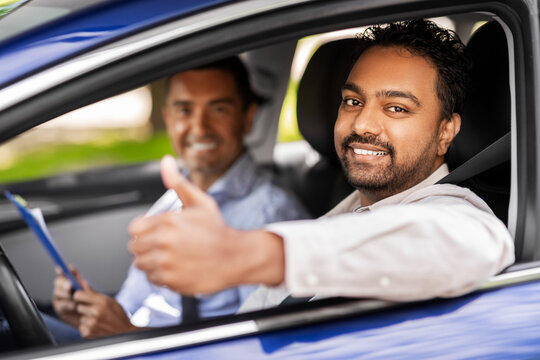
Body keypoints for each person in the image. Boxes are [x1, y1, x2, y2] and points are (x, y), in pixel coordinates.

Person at [127, 19, 515, 311]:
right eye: (352, 101)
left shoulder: (457, 216)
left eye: (396, 108)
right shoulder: (341, 217)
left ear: (446, 131)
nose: (362, 123)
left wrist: (246, 254)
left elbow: (463, 243)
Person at [51, 56, 310, 339]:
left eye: (218, 109)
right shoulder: (172, 199)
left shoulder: (271, 217)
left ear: (247, 118)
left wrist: (128, 333)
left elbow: (258, 346)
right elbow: (130, 304)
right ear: (168, 118)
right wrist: (88, 315)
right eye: (184, 110)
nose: (199, 128)